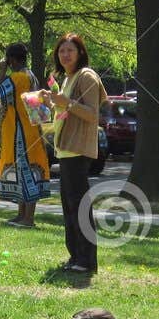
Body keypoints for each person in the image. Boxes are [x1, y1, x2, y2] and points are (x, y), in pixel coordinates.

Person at [46, 32, 108, 274]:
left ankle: (86, 260)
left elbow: (92, 114)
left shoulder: (86, 76)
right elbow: (66, 111)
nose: (65, 55)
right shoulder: (68, 78)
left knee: (79, 205)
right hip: (65, 148)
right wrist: (51, 103)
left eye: (70, 50)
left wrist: (66, 102)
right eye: (62, 51)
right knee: (69, 205)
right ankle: (75, 256)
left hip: (78, 149)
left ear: (80, 52)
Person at [0, 43, 50, 228]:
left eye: (7, 59)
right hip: (30, 130)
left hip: (22, 133)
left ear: (11, 59)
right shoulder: (30, 74)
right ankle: (21, 215)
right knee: (23, 171)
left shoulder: (18, 77)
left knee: (27, 171)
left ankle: (28, 218)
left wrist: (1, 71)